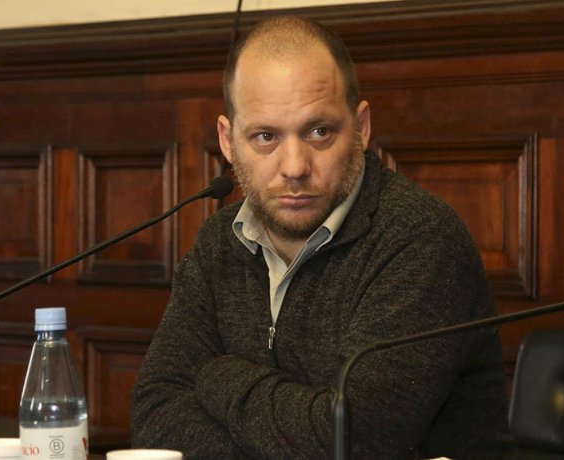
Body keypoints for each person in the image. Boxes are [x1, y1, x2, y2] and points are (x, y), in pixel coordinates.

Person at [130, 16, 513, 460]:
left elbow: (353, 441)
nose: (295, 166)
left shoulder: (420, 238)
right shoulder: (219, 241)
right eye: (266, 136)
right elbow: (154, 416)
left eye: (319, 132)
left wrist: (217, 376)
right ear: (228, 141)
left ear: (361, 127)